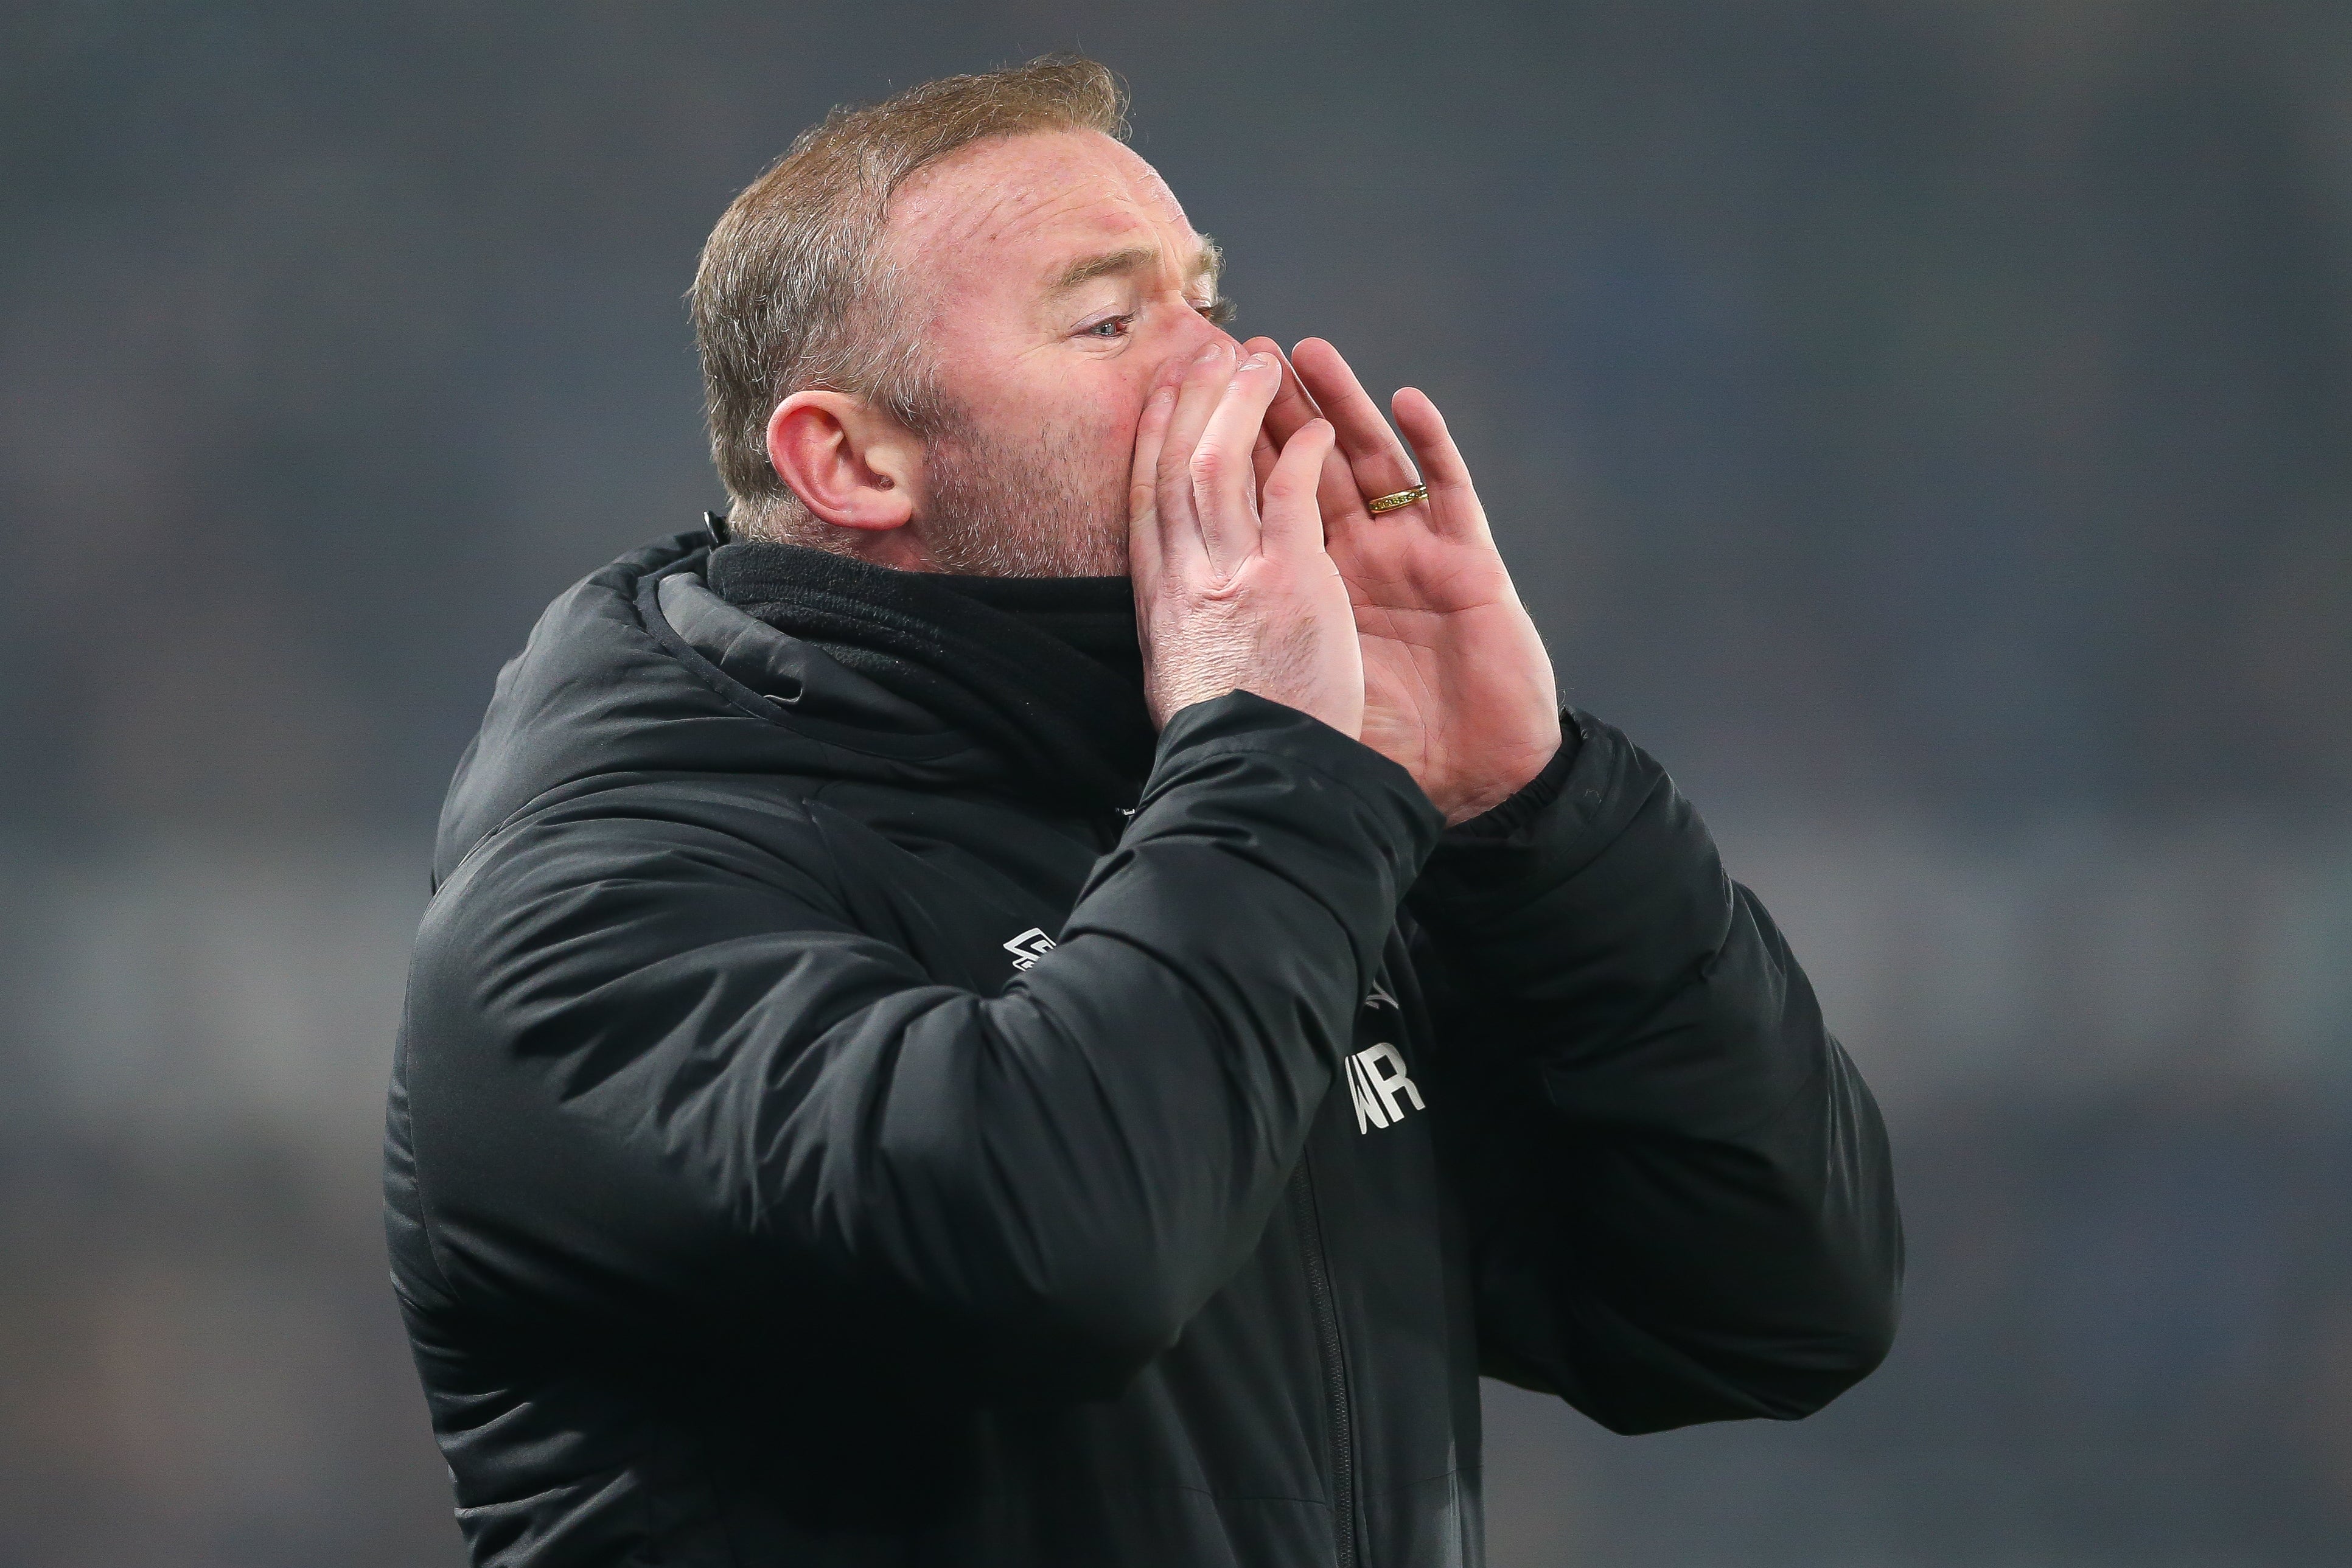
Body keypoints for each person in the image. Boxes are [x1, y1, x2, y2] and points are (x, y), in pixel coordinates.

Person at [385, 54, 1901, 1568]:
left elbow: (1766, 1305)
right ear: (850, 459)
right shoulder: (589, 907)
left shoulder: (1247, 825)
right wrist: (1267, 763)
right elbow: (1053, 1254)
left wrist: (1531, 807)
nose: (1229, 368)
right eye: (1111, 321)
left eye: (1204, 299)